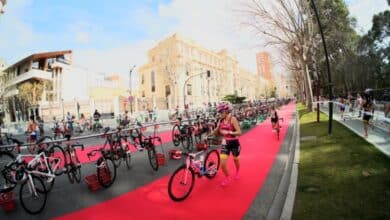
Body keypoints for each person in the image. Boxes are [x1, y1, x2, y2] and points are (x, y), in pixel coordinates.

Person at [208, 102, 242, 187]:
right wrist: (212, 133)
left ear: (226, 111)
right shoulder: (221, 120)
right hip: (225, 143)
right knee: (222, 164)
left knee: (236, 159)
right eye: (219, 112)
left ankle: (237, 172)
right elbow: (216, 133)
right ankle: (227, 177)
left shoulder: (232, 119)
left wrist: (229, 132)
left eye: (221, 112)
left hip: (234, 142)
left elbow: (239, 132)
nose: (220, 114)